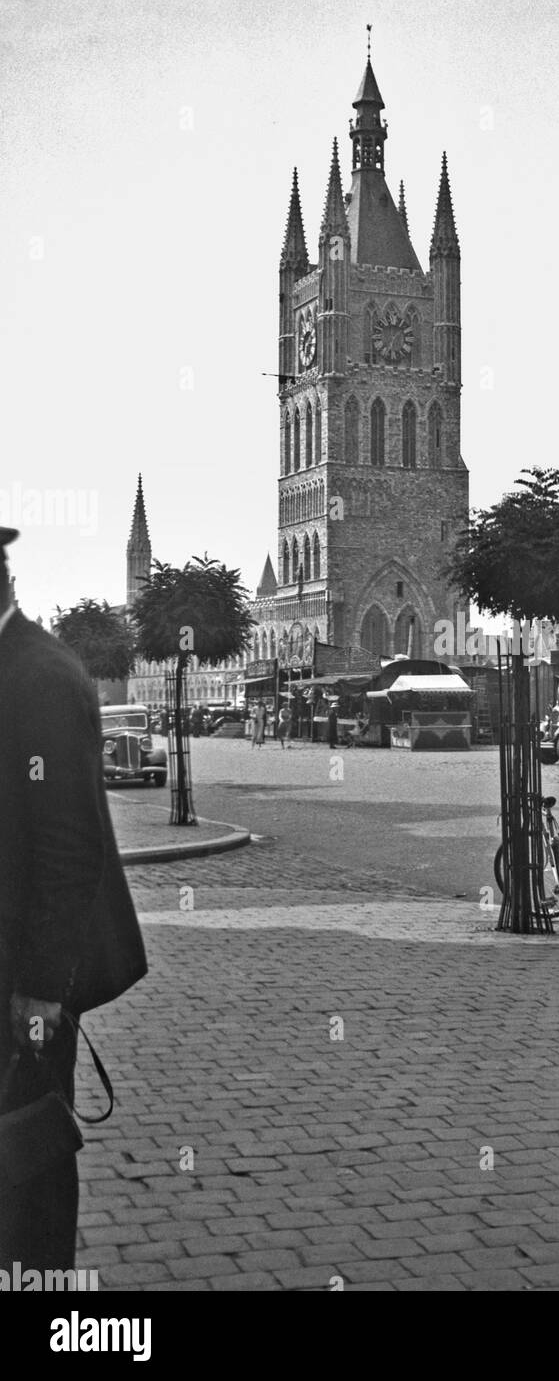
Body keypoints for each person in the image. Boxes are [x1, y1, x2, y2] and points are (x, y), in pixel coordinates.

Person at [0, 526, 148, 1274]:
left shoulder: (41, 674)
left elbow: (69, 843)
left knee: (27, 1153)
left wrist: (39, 989)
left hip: (24, 983)